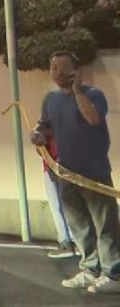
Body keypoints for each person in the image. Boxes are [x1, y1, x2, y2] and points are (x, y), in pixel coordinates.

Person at [34, 51, 120, 294]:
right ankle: (90, 268)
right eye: (53, 67)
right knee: (79, 225)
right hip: (66, 172)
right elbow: (45, 126)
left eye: (62, 67)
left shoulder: (93, 94)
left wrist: (77, 91)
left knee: (105, 225)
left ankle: (113, 273)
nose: (57, 72)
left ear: (75, 71)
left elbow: (93, 118)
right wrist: (38, 134)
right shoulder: (49, 99)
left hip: (94, 172)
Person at [43, 133, 78, 259]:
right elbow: (41, 147)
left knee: (65, 205)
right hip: (52, 165)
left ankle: (70, 242)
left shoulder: (59, 120)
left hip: (62, 167)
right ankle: (69, 242)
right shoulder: (47, 121)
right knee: (61, 205)